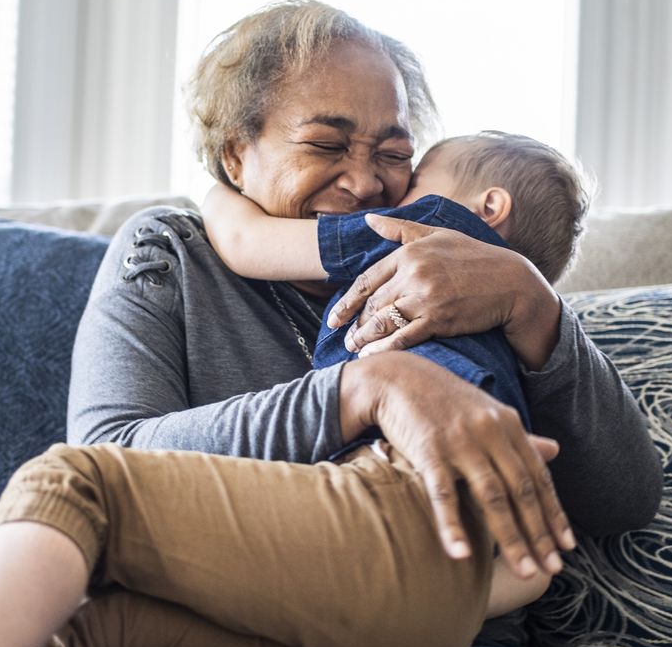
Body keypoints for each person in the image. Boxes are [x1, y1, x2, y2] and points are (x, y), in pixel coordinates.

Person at [0, 0, 661, 647]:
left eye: (391, 152)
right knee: (112, 646)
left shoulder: (469, 270)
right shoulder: (170, 257)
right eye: (327, 144)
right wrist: (361, 389)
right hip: (232, 629)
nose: (368, 183)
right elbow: (115, 451)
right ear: (236, 154)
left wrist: (531, 301)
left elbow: (624, 499)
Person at [201, 130, 589, 440]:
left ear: (488, 209)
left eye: (416, 179)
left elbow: (246, 242)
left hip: (417, 431)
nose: (393, 195)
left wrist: (218, 194)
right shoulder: (521, 336)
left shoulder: (423, 226)